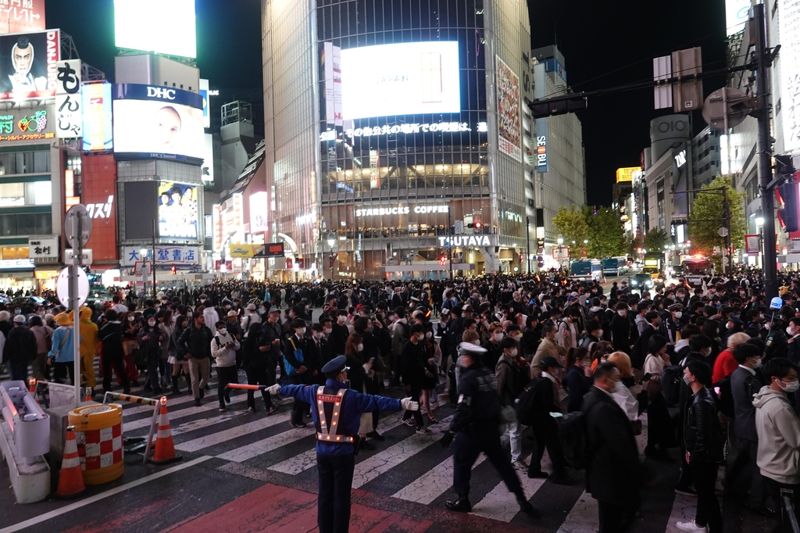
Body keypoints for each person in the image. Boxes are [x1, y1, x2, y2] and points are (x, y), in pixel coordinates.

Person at [267, 355, 419, 533]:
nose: (346, 376)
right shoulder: (350, 396)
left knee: (325, 495)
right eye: (345, 373)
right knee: (341, 498)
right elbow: (375, 401)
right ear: (339, 376)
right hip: (343, 453)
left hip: (322, 452)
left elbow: (296, 389)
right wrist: (400, 403)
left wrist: (279, 388)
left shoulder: (314, 391)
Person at [439, 342, 539, 518]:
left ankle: (463, 499)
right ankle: (522, 499)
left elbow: (464, 409)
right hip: (491, 429)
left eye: (463, 356)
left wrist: (451, 431)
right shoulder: (487, 374)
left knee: (461, 463)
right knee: (504, 465)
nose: (461, 359)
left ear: (469, 358)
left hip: (471, 431)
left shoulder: (468, 378)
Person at [582, 362, 641, 533]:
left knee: (610, 519)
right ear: (605, 380)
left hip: (602, 472)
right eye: (615, 379)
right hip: (609, 474)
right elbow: (619, 444)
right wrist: (636, 471)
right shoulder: (602, 407)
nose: (617, 382)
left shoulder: (592, 397)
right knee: (611, 522)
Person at [753, 357, 800, 532]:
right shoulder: (780, 407)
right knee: (792, 521)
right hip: (783, 471)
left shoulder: (763, 396)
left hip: (771, 464)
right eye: (791, 378)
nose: (795, 382)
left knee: (784, 517)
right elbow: (797, 440)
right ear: (775, 379)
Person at [677, 360, 723, 533]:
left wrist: (693, 454)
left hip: (704, 458)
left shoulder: (701, 402)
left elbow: (702, 434)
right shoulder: (702, 395)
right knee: (705, 493)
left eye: (686, 372)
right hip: (705, 455)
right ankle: (700, 523)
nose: (684, 375)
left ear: (693, 376)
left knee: (706, 494)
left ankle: (715, 527)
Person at [726, 342, 768, 512]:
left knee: (740, 463)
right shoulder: (750, 380)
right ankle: (756, 503)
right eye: (757, 356)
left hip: (740, 425)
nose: (759, 359)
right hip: (753, 428)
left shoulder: (736, 373)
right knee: (758, 467)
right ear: (749, 358)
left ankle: (734, 492)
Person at [495, 336, 527, 468]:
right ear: (505, 350)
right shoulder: (503, 364)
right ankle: (515, 458)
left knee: (510, 429)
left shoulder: (511, 360)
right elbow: (499, 386)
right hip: (509, 401)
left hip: (512, 399)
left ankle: (497, 447)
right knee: (515, 430)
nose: (515, 350)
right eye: (513, 348)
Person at [180, 312, 214, 406]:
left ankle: (201, 387)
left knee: (206, 377)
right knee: (194, 379)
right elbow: (180, 342)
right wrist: (185, 352)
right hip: (193, 358)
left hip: (205, 357)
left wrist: (211, 354)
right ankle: (197, 398)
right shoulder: (188, 330)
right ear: (195, 319)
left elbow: (212, 342)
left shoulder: (206, 330)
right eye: (201, 317)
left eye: (203, 317)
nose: (203, 319)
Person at [242, 322, 275, 413]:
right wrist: (258, 350)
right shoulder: (248, 341)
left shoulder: (262, 339)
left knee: (264, 386)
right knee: (251, 387)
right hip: (251, 368)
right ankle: (251, 405)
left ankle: (268, 405)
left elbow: (268, 351)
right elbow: (246, 355)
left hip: (261, 367)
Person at [98, 310, 130, 394]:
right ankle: (127, 387)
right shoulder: (121, 325)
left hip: (107, 350)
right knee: (120, 369)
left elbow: (100, 335)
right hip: (119, 350)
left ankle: (107, 389)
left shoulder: (106, 326)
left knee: (107, 371)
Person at [211, 320, 239, 412]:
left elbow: (238, 346)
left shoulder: (231, 335)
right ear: (217, 329)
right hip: (222, 366)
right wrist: (224, 348)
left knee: (234, 382)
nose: (223, 329)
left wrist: (233, 345)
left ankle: (226, 393)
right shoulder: (215, 340)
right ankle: (221, 403)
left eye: (224, 326)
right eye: (220, 327)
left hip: (232, 363)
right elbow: (214, 354)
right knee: (221, 384)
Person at [3, 314, 35, 381]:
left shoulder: (12, 332)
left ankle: (17, 387)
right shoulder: (29, 331)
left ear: (14, 322)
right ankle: (24, 386)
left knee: (15, 374)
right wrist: (32, 356)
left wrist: (5, 357)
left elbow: (8, 346)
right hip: (25, 356)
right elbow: (33, 345)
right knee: (24, 372)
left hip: (14, 357)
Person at [48, 312, 76, 384]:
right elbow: (80, 340)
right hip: (73, 356)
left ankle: (62, 392)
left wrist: (50, 356)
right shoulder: (75, 329)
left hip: (61, 357)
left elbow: (55, 346)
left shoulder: (58, 331)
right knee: (73, 376)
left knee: (60, 377)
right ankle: (74, 391)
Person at [78, 306, 99, 392]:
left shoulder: (75, 324)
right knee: (89, 369)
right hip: (90, 351)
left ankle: (82, 384)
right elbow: (96, 339)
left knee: (79, 369)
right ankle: (91, 387)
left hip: (78, 350)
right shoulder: (94, 326)